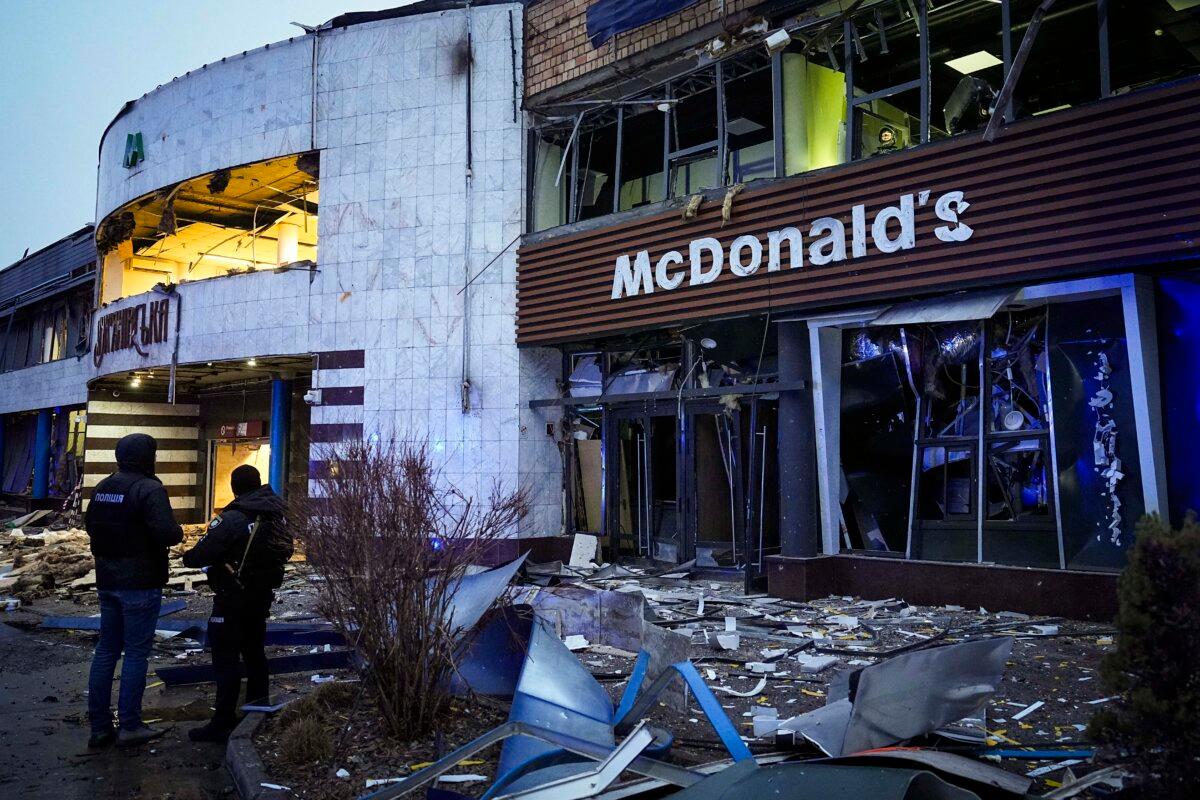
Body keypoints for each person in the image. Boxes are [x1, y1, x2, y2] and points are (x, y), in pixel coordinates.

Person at [85, 432, 184, 748]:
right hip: (140, 582)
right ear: (147, 456)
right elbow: (167, 533)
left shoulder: (105, 487)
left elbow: (91, 526)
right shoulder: (149, 488)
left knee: (106, 651)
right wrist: (179, 531)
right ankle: (130, 725)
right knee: (136, 653)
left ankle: (100, 727)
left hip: (108, 580)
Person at [183, 464, 292, 742]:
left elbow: (200, 554)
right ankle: (257, 709)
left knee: (225, 656)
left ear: (235, 488)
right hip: (261, 594)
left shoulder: (232, 517)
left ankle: (222, 720)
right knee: (255, 651)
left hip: (233, 594)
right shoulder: (276, 515)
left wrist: (191, 557)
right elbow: (287, 550)